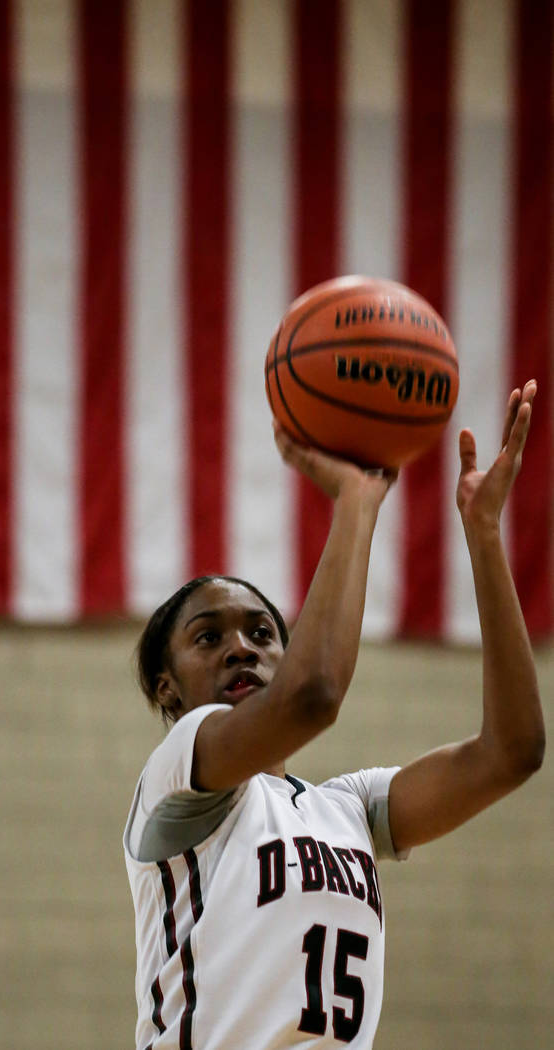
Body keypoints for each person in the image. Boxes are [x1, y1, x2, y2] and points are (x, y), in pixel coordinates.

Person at [123, 381, 545, 1050]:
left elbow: (512, 752)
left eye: (263, 634)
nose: (241, 646)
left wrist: (484, 538)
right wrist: (358, 499)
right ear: (167, 689)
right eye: (209, 637)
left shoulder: (346, 808)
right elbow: (312, 695)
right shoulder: (178, 774)